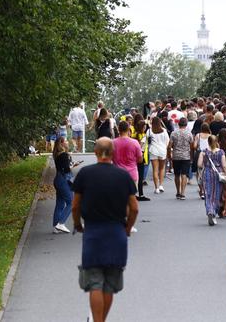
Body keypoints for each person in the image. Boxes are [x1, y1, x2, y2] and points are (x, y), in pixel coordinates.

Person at [71, 138, 139, 321]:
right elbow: (134, 207)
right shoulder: (123, 176)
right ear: (113, 153)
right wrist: (128, 228)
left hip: (93, 233)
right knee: (109, 285)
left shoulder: (85, 174)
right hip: (116, 234)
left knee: (94, 282)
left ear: (95, 152)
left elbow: (75, 205)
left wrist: (77, 224)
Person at [198, 135, 226, 226]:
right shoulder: (221, 152)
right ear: (217, 142)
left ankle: (209, 211)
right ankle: (214, 213)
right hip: (218, 174)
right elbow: (224, 166)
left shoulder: (204, 152)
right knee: (217, 194)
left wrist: (205, 164)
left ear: (208, 142)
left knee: (208, 194)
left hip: (207, 173)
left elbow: (199, 164)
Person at [52, 136, 78, 233]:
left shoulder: (57, 154)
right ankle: (61, 223)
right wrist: (73, 165)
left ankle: (55, 226)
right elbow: (67, 169)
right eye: (66, 141)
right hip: (63, 180)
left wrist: (70, 164)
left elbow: (63, 167)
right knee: (72, 202)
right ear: (62, 143)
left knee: (60, 203)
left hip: (58, 179)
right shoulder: (64, 155)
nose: (67, 142)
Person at [168, 117, 193, 199]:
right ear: (186, 124)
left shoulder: (173, 133)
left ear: (178, 124)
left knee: (177, 174)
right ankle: (183, 193)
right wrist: (191, 156)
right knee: (184, 174)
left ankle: (178, 191)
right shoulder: (189, 133)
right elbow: (192, 146)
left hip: (176, 156)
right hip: (186, 156)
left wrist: (169, 155)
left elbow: (169, 146)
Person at [130, 114, 150, 201]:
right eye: (144, 127)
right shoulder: (143, 136)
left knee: (134, 176)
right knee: (140, 176)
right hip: (141, 156)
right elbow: (140, 146)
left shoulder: (134, 135)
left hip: (133, 157)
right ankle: (141, 194)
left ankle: (133, 193)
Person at [147, 116, 169, 194]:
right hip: (162, 150)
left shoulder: (149, 130)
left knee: (155, 170)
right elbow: (167, 141)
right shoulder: (164, 131)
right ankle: (161, 185)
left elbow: (147, 140)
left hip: (153, 151)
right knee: (162, 168)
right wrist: (164, 148)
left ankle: (156, 188)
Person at [192, 122, 212, 199]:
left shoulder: (198, 135)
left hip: (200, 154)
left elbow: (194, 146)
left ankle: (201, 190)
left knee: (199, 172)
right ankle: (206, 189)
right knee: (208, 171)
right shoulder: (211, 136)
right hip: (209, 154)